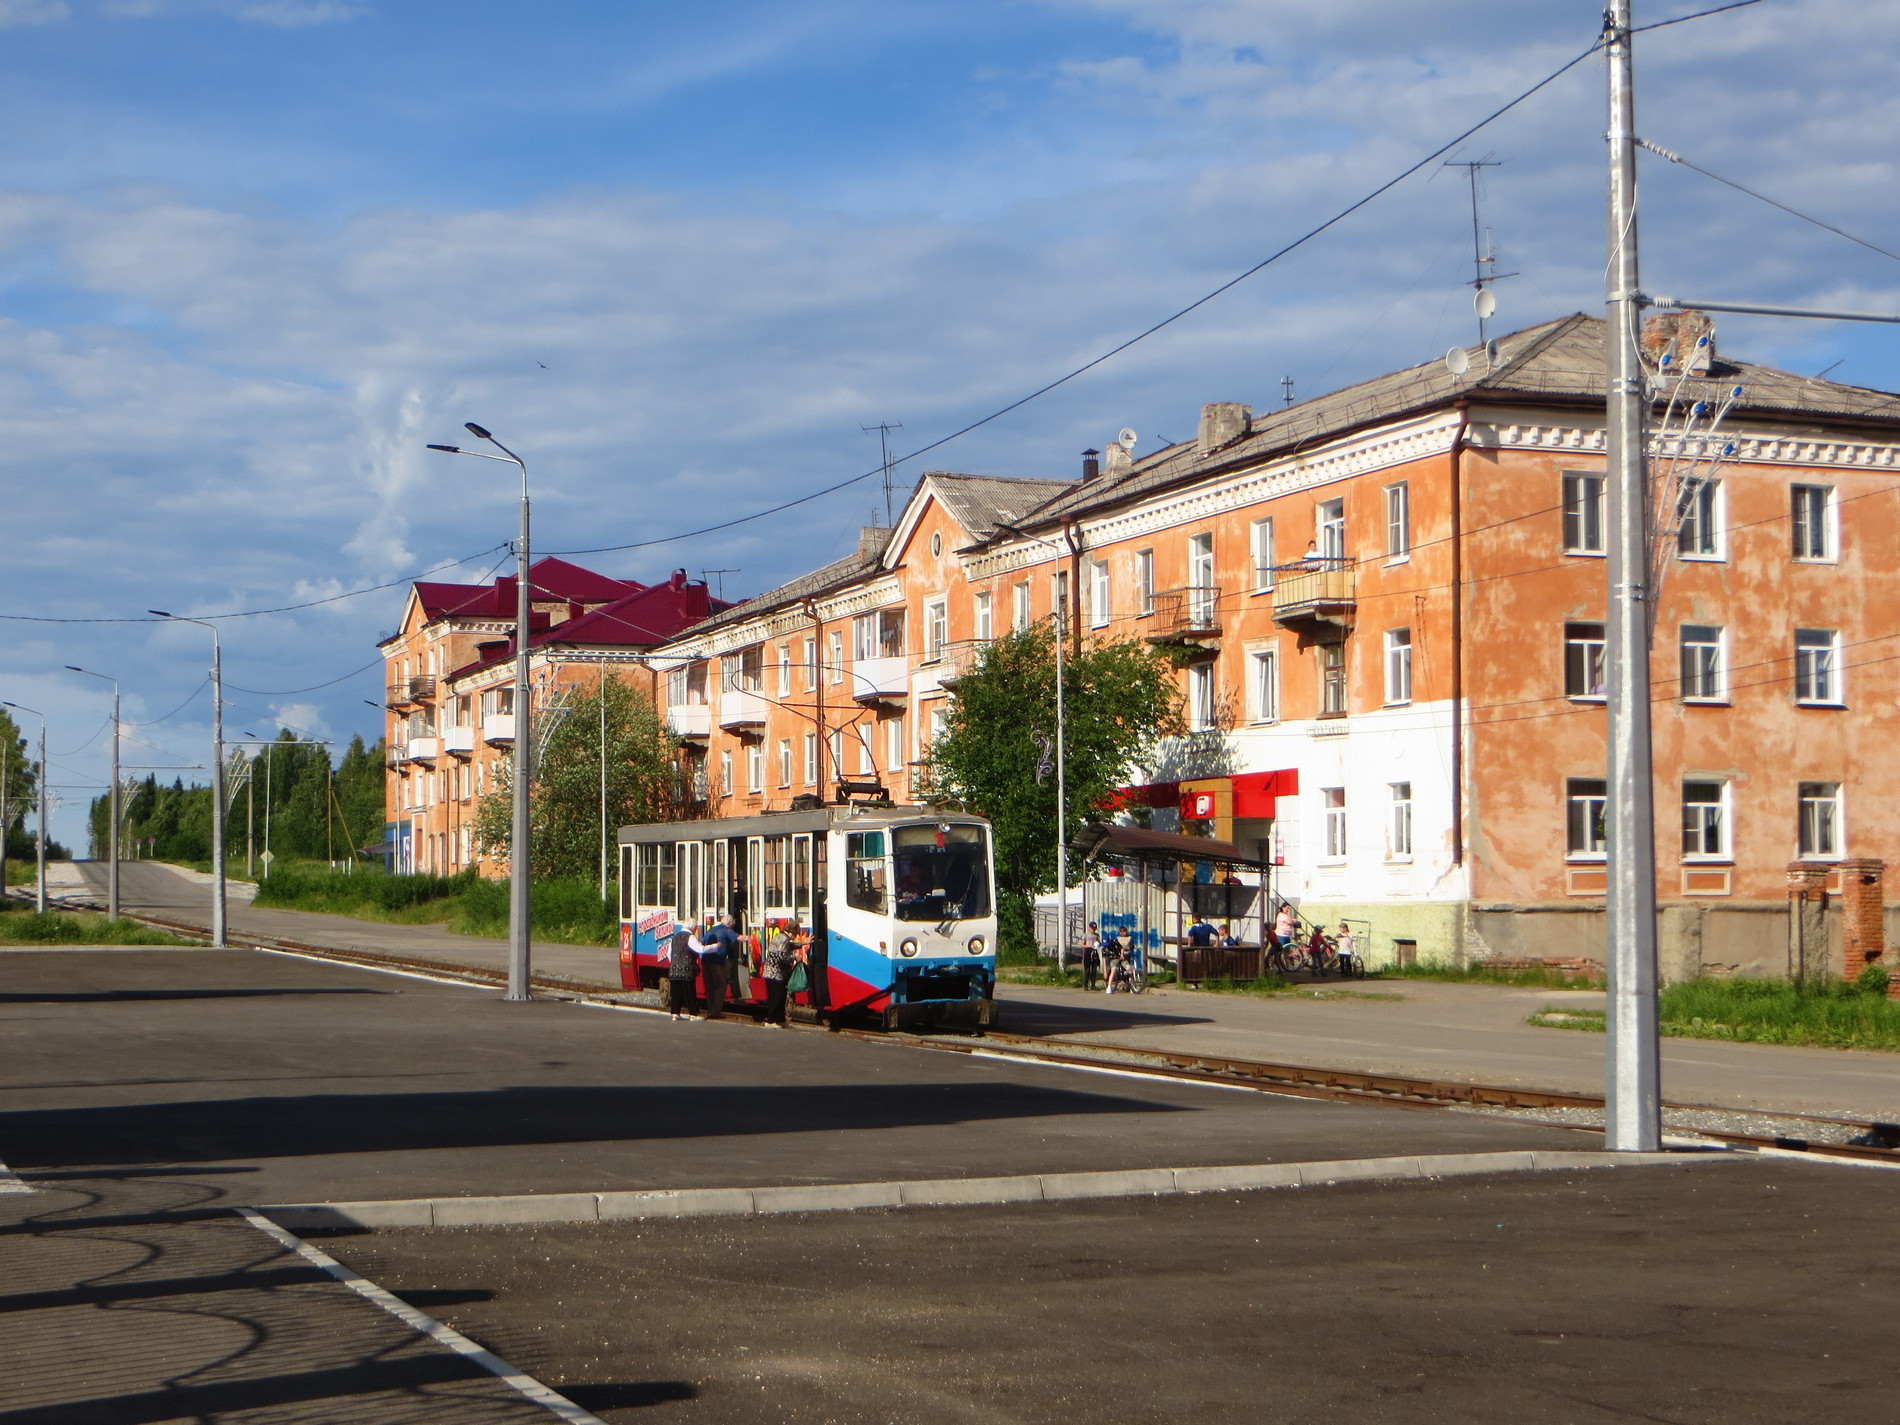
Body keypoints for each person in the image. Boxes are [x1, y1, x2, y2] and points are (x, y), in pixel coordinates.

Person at [697, 913, 741, 1021]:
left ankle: (710, 1010)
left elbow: (701, 942)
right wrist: (752, 937)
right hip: (717, 963)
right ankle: (716, 1011)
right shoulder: (727, 930)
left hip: (705, 962)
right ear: (729, 924)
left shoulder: (711, 930)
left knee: (710, 987)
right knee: (721, 985)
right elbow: (740, 938)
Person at [761, 919, 800, 1028]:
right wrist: (794, 957)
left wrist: (803, 943)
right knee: (777, 998)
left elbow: (790, 946)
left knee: (781, 996)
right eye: (796, 933)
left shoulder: (780, 937)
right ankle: (770, 1021)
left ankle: (780, 1020)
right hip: (775, 973)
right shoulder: (783, 939)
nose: (795, 936)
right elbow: (782, 957)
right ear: (792, 931)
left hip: (771, 972)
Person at [666, 920, 699, 1021]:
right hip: (686, 970)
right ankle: (693, 1014)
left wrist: (674, 963)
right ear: (692, 927)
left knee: (676, 993)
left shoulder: (674, 937)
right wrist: (714, 947)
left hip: (674, 969)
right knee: (689, 992)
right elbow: (700, 949)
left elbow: (668, 954)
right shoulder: (691, 937)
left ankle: (675, 1014)